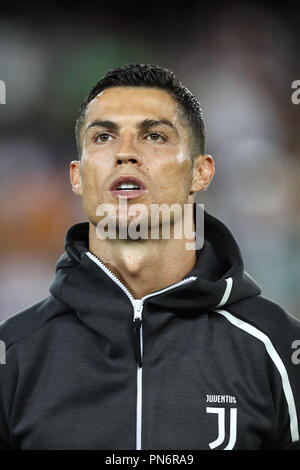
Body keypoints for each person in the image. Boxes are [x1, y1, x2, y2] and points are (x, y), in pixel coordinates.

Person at [0, 64, 299, 450]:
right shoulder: (13, 354)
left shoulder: (280, 349)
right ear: (76, 176)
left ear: (200, 172)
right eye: (104, 137)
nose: (125, 153)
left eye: (154, 136)